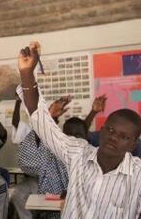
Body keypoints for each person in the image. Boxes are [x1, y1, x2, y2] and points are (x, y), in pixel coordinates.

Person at [18, 41, 141, 218]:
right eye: (111, 130)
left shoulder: (137, 175)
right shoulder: (78, 153)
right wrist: (27, 73)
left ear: (132, 145)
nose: (114, 138)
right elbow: (42, 123)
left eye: (123, 136)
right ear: (101, 130)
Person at [19, 96, 89, 219]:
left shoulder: (94, 158)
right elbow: (26, 162)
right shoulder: (52, 157)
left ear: (86, 137)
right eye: (68, 136)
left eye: (78, 135)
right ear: (62, 137)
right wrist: (50, 117)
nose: (74, 140)